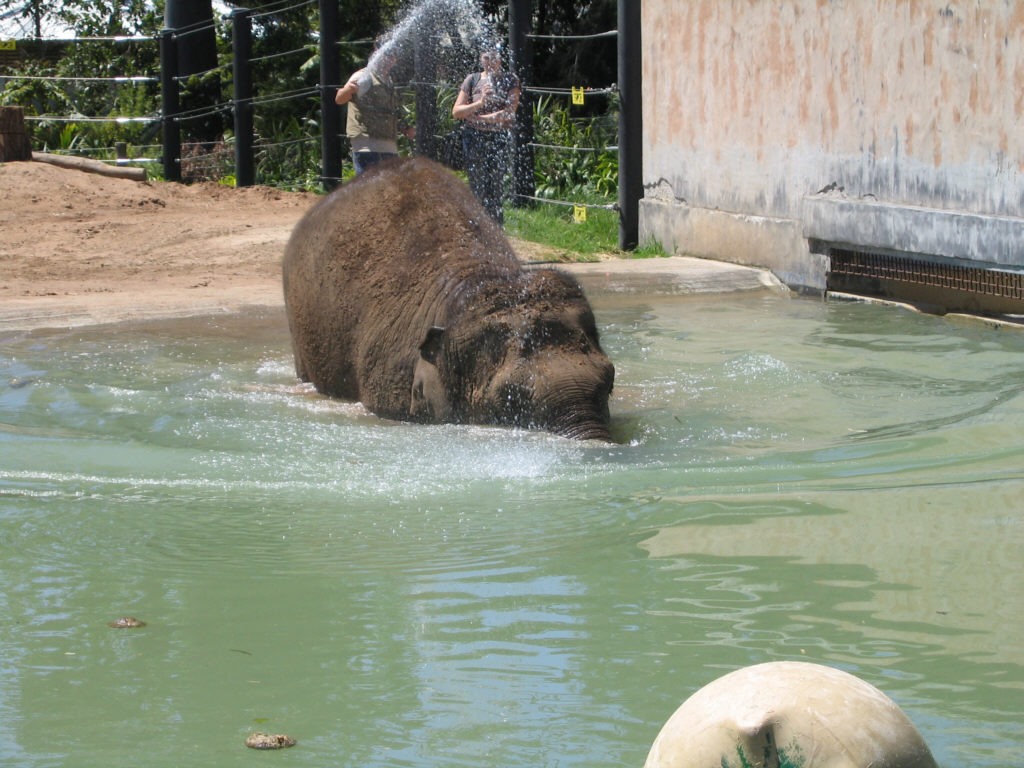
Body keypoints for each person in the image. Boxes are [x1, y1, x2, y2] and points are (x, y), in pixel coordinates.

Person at [452, 48, 521, 224]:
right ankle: (477, 227)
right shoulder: (472, 79)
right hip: (474, 137)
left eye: (494, 58)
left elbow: (509, 113)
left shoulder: (510, 80)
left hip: (497, 137)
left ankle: (495, 228)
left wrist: (481, 119)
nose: (490, 62)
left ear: (500, 59)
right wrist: (479, 103)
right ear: (481, 59)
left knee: (495, 186)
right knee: (477, 185)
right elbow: (457, 111)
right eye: (486, 58)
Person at [335, 42, 413, 175]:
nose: (390, 59)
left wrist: (403, 128)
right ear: (375, 53)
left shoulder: (388, 80)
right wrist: (348, 89)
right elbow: (339, 98)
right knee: (368, 189)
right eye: (386, 54)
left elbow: (388, 111)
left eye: (393, 55)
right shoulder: (363, 77)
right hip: (367, 145)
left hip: (388, 145)